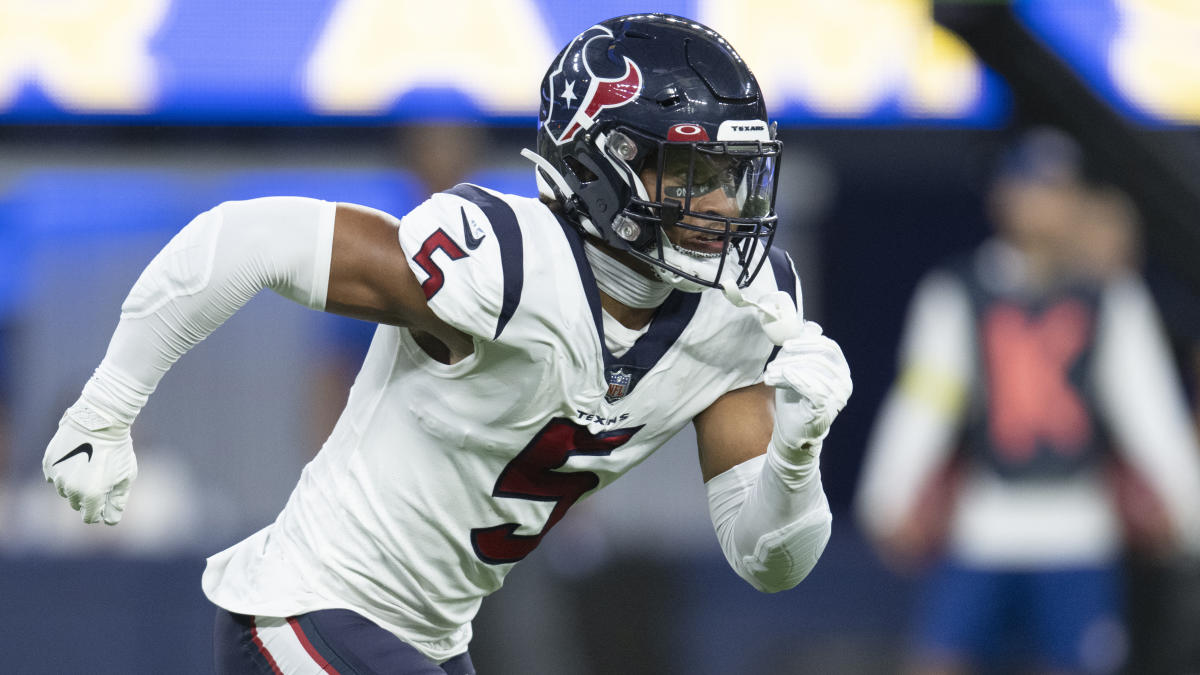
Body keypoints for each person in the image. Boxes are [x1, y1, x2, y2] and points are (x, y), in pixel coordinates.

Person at [40, 14, 852, 674]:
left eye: (735, 173)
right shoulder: (506, 259)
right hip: (308, 606)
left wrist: (797, 451)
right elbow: (246, 238)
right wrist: (107, 407)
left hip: (426, 639)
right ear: (612, 164)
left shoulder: (741, 306)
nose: (720, 203)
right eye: (694, 172)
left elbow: (766, 559)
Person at [854, 127, 1200, 674]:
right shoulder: (960, 292)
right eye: (1032, 188)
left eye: (1057, 189)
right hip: (984, 525)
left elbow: (1147, 409)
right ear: (1003, 197)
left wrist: (1186, 510)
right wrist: (888, 497)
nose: (1044, 205)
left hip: (1079, 530)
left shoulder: (1108, 297)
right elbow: (925, 402)